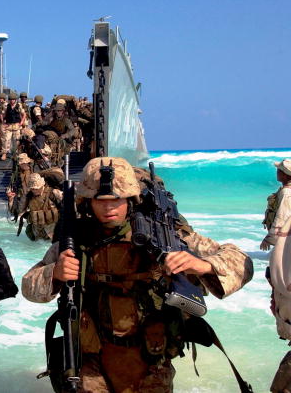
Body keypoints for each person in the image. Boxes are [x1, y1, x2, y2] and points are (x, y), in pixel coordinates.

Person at [21, 157, 254, 392]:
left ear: (131, 199)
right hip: (92, 363)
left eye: (117, 200)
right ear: (87, 202)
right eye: (100, 201)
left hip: (151, 363)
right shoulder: (77, 241)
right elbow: (29, 287)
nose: (109, 207)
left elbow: (242, 262)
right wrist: (54, 274)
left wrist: (203, 266)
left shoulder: (162, 235)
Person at [15, 173, 63, 241]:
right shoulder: (28, 196)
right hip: (37, 232)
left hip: (53, 231)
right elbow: (20, 211)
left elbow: (69, 207)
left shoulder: (53, 193)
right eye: (32, 189)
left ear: (42, 185)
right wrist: (24, 196)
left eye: (36, 188)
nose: (34, 190)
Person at [261, 159, 291, 251]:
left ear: (285, 175)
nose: (277, 172)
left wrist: (269, 239)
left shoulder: (286, 193)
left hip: (286, 239)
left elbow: (282, 217)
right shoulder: (286, 190)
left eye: (279, 170)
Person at [0, 93, 26, 161]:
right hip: (8, 125)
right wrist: (3, 122)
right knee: (6, 140)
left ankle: (16, 154)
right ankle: (4, 153)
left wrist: (21, 123)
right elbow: (3, 114)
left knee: (16, 140)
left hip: (16, 125)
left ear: (15, 100)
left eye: (13, 99)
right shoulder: (6, 106)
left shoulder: (19, 106)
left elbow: (24, 114)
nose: (12, 101)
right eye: (10, 99)